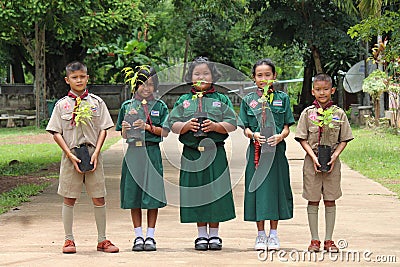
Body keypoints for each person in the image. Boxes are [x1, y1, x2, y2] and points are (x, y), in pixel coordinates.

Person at [46, 61, 119, 254]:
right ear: (67, 80)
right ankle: (68, 240)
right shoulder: (62, 105)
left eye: (82, 76)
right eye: (74, 77)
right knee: (69, 197)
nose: (78, 80)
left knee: (99, 197)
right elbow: (56, 132)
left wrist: (96, 152)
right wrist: (69, 154)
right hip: (71, 155)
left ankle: (102, 239)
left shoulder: (97, 102)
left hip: (93, 154)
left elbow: (104, 129)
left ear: (87, 78)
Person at [169, 56, 237, 251]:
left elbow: (232, 124)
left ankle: (214, 235)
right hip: (192, 154)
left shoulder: (221, 99)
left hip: (215, 153)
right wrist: (185, 126)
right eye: (196, 73)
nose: (201, 77)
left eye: (205, 73)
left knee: (215, 193)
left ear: (213, 76)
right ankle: (201, 235)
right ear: (190, 77)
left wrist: (216, 126)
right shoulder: (183, 101)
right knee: (197, 193)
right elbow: (173, 125)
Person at [239, 58, 295, 251]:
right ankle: (260, 235)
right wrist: (253, 135)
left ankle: (274, 234)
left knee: (276, 191)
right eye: (259, 75)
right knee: (258, 191)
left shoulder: (282, 99)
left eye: (267, 75)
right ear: (254, 78)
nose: (263, 79)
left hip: (277, 152)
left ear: (274, 76)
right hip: (256, 153)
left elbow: (287, 127)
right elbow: (245, 128)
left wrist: (280, 136)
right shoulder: (248, 100)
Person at [295, 73, 353, 253]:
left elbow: (344, 138)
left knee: (330, 200)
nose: (322, 93)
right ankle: (314, 240)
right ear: (313, 91)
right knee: (313, 200)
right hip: (311, 164)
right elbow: (302, 138)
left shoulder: (338, 114)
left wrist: (334, 156)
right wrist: (312, 156)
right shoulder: (308, 114)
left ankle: (329, 240)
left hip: (332, 165)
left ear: (332, 91)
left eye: (326, 89)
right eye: (318, 90)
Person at [116, 66, 169, 252]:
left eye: (150, 84)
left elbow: (165, 132)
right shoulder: (127, 106)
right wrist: (125, 127)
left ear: (155, 86)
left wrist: (147, 127)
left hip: (151, 153)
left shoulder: (160, 106)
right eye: (141, 84)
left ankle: (151, 236)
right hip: (133, 154)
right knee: (134, 195)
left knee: (152, 195)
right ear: (135, 85)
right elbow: (123, 135)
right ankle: (138, 236)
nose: (146, 88)